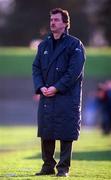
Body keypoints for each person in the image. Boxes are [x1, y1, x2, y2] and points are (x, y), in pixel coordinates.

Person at [32, 8, 86, 177]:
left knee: (65, 131)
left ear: (65, 23)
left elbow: (74, 72)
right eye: (51, 19)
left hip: (66, 96)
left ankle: (63, 168)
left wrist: (56, 87)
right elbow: (36, 68)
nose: (52, 22)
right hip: (46, 94)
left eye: (56, 20)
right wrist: (41, 87)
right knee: (47, 131)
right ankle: (47, 166)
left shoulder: (75, 45)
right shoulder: (43, 45)